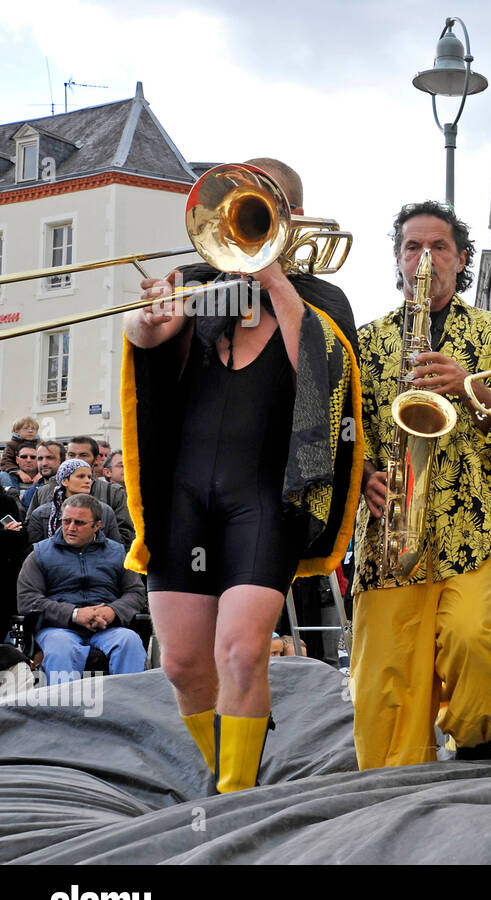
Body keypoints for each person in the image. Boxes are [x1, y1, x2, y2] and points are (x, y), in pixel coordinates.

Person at [123, 157, 362, 793]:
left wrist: (273, 276)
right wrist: (147, 325)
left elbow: (319, 367)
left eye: (266, 207)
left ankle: (233, 797)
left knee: (241, 651)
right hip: (184, 497)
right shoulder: (201, 286)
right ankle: (225, 772)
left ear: (295, 219)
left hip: (267, 496)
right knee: (180, 663)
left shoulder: (318, 298)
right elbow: (148, 358)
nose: (247, 220)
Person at [350, 200, 491, 768]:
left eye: (438, 247)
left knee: (473, 639)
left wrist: (467, 388)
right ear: (398, 260)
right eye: (412, 246)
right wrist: (362, 480)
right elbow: (341, 427)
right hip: (391, 527)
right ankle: (393, 787)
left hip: (472, 524)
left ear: (460, 261)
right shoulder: (364, 338)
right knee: (386, 675)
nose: (424, 257)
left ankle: (475, 739)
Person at [16, 494, 147, 683]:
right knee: (61, 649)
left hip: (107, 627)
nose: (70, 528)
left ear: (97, 525)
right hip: (58, 628)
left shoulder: (118, 553)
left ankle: (128, 708)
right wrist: (75, 614)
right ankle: (65, 712)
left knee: (130, 641)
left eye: (79, 523)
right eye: (66, 521)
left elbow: (135, 593)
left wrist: (113, 611)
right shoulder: (40, 554)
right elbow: (28, 599)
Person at [32, 437, 134, 549]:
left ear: (95, 460)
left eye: (83, 455)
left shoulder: (111, 496)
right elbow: (34, 547)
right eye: (71, 455)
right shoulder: (42, 495)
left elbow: (122, 541)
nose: (76, 459)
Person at [27, 459, 124, 545]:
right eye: (81, 476)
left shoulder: (105, 511)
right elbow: (35, 551)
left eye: (89, 477)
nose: (87, 481)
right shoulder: (41, 514)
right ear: (65, 481)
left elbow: (114, 547)